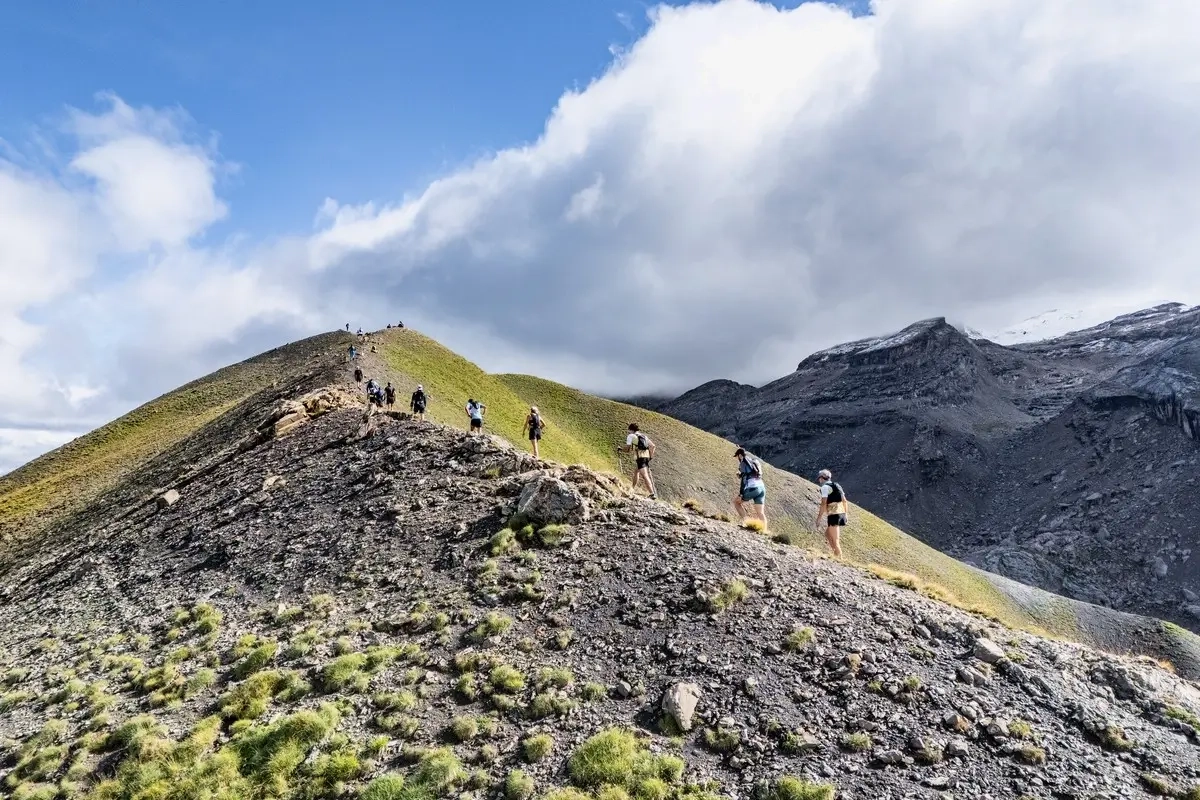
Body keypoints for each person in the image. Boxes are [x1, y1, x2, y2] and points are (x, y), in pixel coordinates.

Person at [816, 469, 849, 558]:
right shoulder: (837, 485)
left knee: (835, 540)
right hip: (841, 513)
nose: (819, 480)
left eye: (819, 478)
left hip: (833, 514)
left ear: (821, 478)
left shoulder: (824, 488)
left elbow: (823, 503)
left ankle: (839, 557)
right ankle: (836, 554)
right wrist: (846, 514)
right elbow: (845, 501)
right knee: (827, 534)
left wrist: (819, 518)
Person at [619, 423, 657, 499]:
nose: (628, 431)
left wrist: (620, 449)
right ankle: (632, 488)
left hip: (640, 457)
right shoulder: (643, 436)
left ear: (630, 429)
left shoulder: (631, 436)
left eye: (628, 430)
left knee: (645, 475)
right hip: (646, 457)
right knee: (636, 472)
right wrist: (650, 457)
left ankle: (652, 493)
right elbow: (653, 446)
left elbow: (627, 448)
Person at [733, 447, 767, 527]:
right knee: (760, 513)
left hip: (753, 488)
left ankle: (746, 523)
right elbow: (751, 474)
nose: (737, 458)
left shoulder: (743, 463)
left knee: (736, 502)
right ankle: (765, 531)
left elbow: (744, 479)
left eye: (737, 456)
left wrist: (741, 493)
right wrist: (741, 475)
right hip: (761, 488)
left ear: (740, 455)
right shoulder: (754, 462)